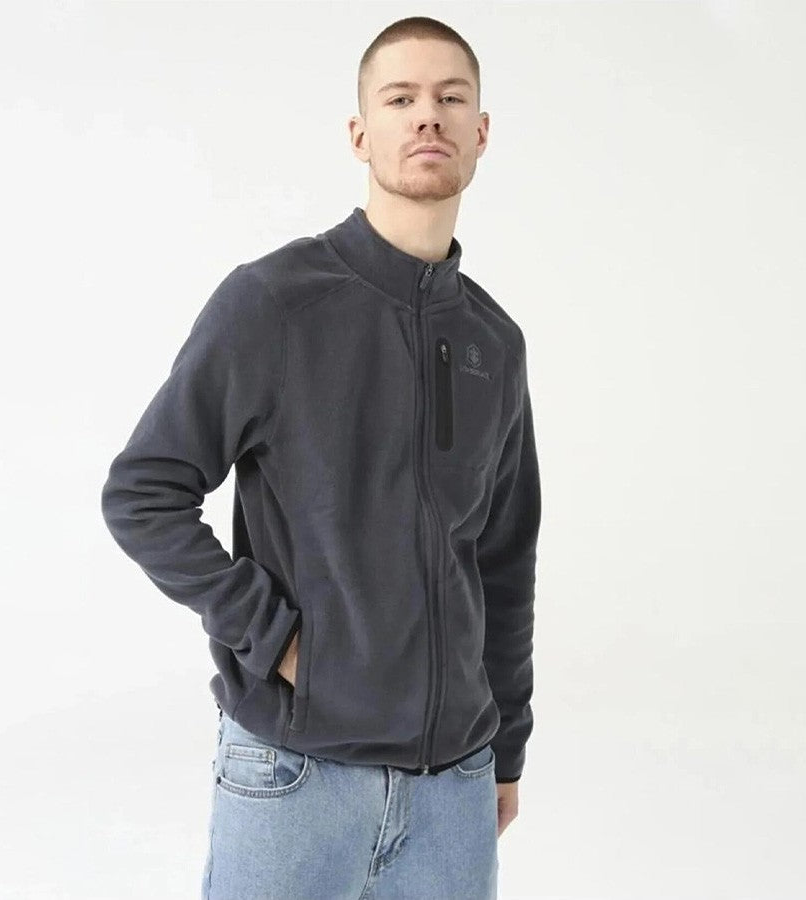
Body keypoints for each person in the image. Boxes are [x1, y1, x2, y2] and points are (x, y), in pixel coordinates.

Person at [101, 15, 542, 900]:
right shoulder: (274, 303)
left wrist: (506, 749)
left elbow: (503, 558)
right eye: (401, 98)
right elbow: (144, 492)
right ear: (360, 133)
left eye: (451, 98)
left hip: (454, 791)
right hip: (295, 777)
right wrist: (275, 638)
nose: (429, 116)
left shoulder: (494, 340)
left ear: (482, 132)